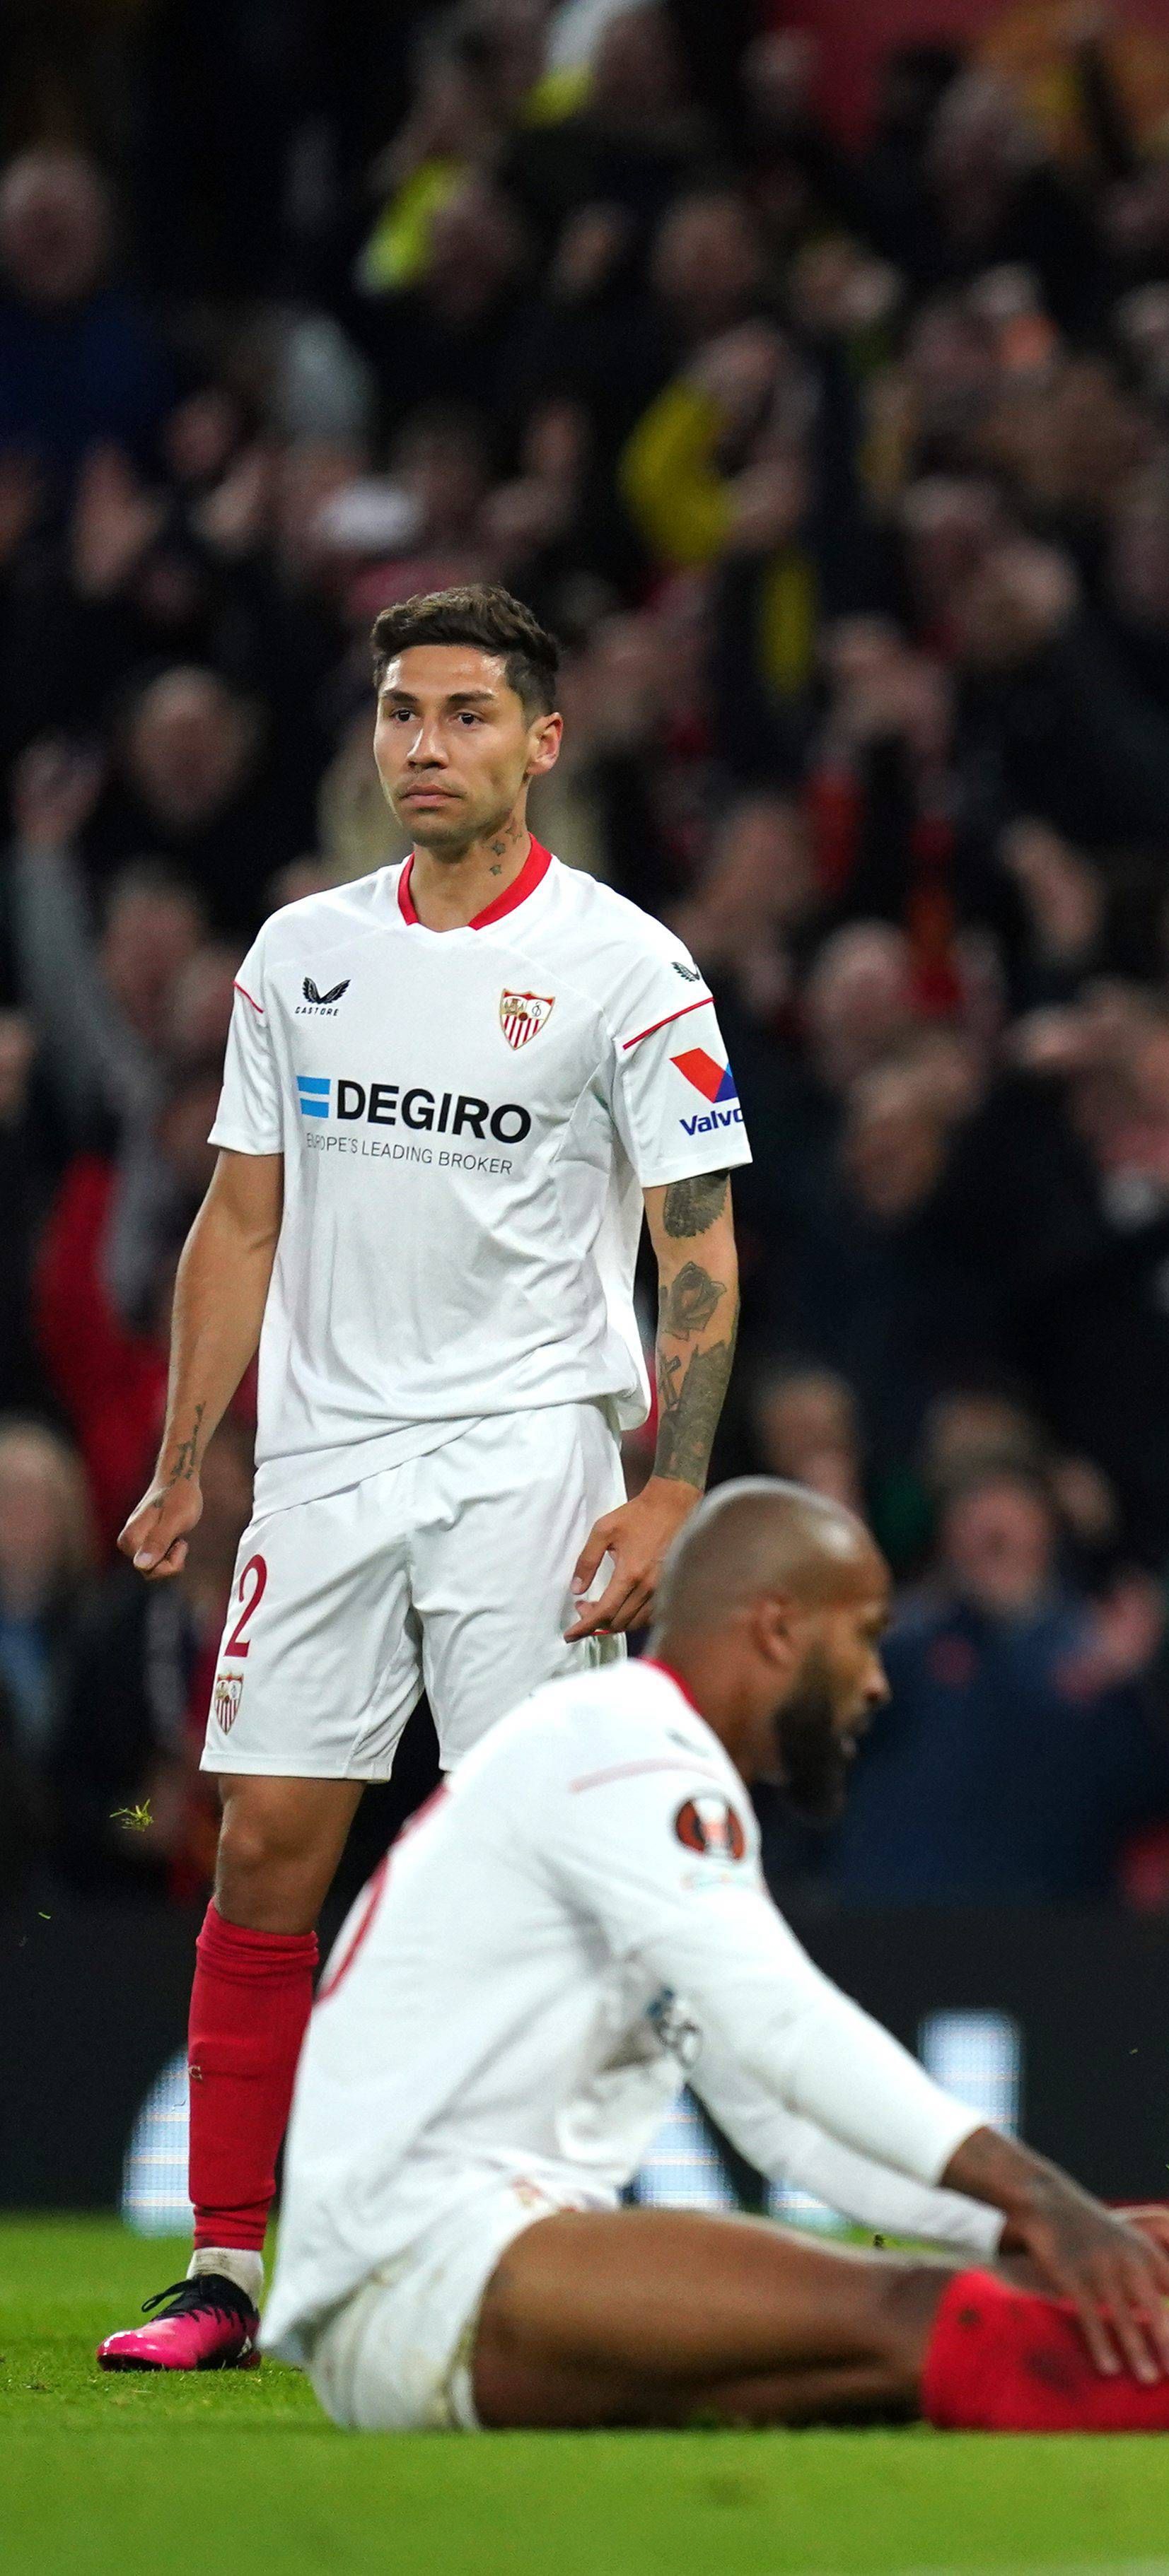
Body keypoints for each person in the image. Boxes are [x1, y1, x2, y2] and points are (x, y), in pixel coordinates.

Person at [246, 1480, 1169, 2435]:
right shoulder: (622, 1746)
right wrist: (1038, 2197)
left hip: (446, 2268)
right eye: (863, 1634)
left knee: (919, 2354)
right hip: (424, 2258)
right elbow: (778, 2029)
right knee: (897, 2324)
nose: (881, 1676)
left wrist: (1008, 2229)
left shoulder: (619, 1765)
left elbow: (769, 2114)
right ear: (773, 1628)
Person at [98, 586, 756, 2371]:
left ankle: (553, 2235)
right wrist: (182, 1464)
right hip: (322, 1466)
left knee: (539, 1852)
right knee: (262, 1849)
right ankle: (227, 2268)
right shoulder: (298, 953)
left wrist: (668, 1487)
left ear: (543, 743)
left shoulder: (631, 967)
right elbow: (243, 1220)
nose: (426, 747)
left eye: (467, 715)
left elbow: (693, 1246)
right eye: (402, 714)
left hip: (532, 1461)